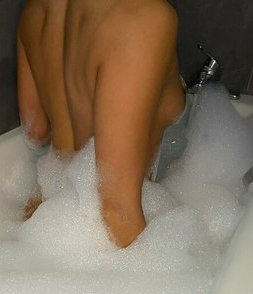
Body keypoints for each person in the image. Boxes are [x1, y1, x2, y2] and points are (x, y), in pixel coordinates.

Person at [17, 0, 186, 246]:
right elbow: (116, 208)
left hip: (43, 218)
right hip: (102, 239)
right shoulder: (145, 16)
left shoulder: (35, 10)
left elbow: (36, 131)